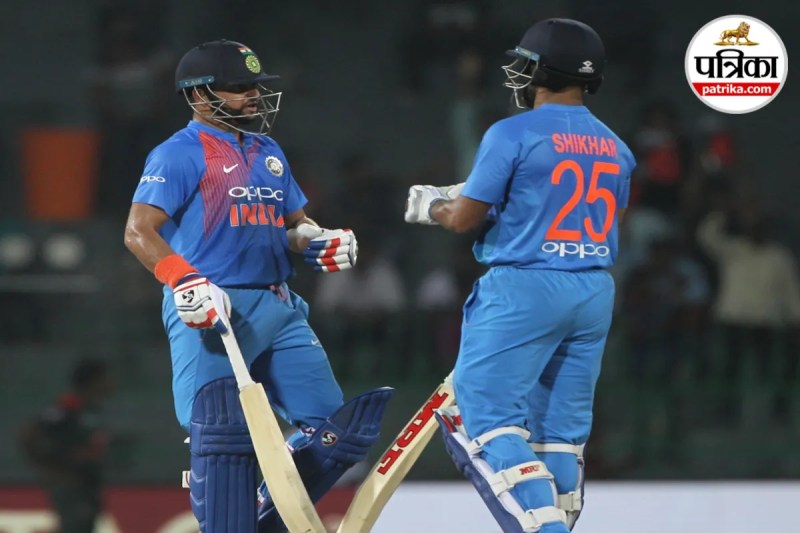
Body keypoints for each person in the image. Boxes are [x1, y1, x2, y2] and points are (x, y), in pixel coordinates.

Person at [122, 39, 392, 533]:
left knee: (339, 434)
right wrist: (182, 279)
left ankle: (263, 510)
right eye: (239, 87)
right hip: (214, 307)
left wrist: (313, 238)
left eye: (255, 86)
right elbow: (139, 231)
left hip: (279, 304)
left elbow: (291, 224)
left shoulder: (268, 150)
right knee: (223, 439)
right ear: (200, 95)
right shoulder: (177, 153)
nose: (254, 95)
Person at [405, 19, 635, 532]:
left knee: (484, 419)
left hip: (525, 285)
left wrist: (433, 204)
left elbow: (462, 219)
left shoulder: (512, 132)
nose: (519, 73)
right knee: (559, 435)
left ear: (543, 71)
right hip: (593, 289)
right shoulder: (617, 147)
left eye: (526, 64)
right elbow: (597, 219)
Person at [19, 358, 114, 533]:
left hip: (88, 483)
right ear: (93, 380)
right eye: (106, 378)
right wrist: (54, 468)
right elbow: (28, 436)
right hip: (71, 485)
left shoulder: (94, 409)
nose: (110, 383)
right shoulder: (69, 406)